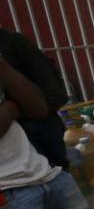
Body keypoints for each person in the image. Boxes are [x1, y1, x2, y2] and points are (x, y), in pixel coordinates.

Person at [0, 53, 86, 209]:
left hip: (45, 177)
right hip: (5, 194)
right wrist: (11, 109)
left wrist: (2, 65)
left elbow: (38, 108)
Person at [0, 29, 69, 168]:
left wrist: (14, 109)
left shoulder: (13, 43)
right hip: (10, 165)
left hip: (41, 134)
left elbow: (53, 95)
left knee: (57, 172)